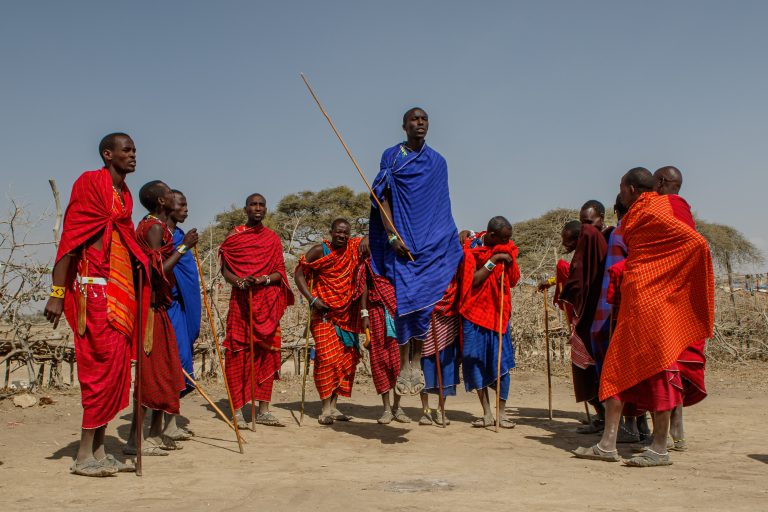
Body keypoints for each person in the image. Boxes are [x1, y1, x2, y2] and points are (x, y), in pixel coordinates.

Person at [574, 167, 714, 467]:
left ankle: (660, 449)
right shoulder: (639, 213)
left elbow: (694, 243)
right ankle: (607, 444)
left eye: (622, 187)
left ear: (633, 189)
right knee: (616, 368)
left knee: (661, 370)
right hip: (636, 300)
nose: (620, 192)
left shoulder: (660, 207)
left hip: (657, 301)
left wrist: (662, 276)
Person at [43, 133, 148, 476]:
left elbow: (128, 242)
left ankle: (100, 451)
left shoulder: (125, 197)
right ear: (108, 154)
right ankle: (83, 455)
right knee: (99, 373)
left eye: (134, 150)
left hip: (120, 297)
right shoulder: (90, 184)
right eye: (126, 150)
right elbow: (71, 242)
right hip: (94, 294)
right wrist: (57, 294)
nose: (133, 155)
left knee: (116, 372)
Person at [369, 107, 463, 397]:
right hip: (402, 244)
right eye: (414, 119)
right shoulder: (392, 156)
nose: (420, 123)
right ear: (404, 125)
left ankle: (417, 363)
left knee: (427, 304)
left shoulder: (438, 162)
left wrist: (447, 240)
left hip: (431, 245)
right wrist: (392, 235)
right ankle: (403, 365)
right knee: (402, 300)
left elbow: (440, 205)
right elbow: (381, 197)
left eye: (424, 119)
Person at [124, 180, 196, 457]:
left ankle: (154, 435)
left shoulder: (159, 228)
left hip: (161, 309)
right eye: (168, 193)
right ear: (161, 202)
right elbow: (155, 273)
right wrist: (183, 248)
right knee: (151, 376)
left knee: (164, 374)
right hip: (151, 311)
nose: (173, 196)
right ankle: (135, 440)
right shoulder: (153, 228)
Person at [219, 193, 294, 427]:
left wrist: (262, 279)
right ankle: (239, 411)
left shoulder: (272, 239)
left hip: (267, 305)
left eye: (262, 204)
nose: (258, 208)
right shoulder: (234, 237)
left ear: (266, 209)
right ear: (246, 209)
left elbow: (279, 273)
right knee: (238, 355)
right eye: (253, 204)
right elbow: (225, 269)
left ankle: (263, 410)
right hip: (242, 303)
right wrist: (240, 282)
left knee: (268, 354)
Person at [653, 165, 707, 451]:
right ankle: (674, 427)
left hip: (665, 295)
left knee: (664, 361)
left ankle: (666, 434)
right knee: (667, 361)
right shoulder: (678, 209)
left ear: (661, 182)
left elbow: (688, 247)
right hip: (675, 294)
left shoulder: (667, 207)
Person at [295, 219, 364, 425]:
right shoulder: (320, 250)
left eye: (346, 233)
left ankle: (334, 407)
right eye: (339, 232)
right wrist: (312, 299)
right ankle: (324, 409)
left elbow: (370, 242)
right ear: (331, 232)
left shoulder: (353, 249)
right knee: (327, 360)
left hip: (347, 314)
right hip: (324, 313)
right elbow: (299, 272)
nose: (342, 236)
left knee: (344, 362)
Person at [459, 216, 520, 428]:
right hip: (474, 313)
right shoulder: (472, 249)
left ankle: (501, 413)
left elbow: (513, 280)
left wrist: (505, 257)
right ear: (492, 235)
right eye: (503, 238)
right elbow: (473, 280)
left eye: (508, 238)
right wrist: (494, 261)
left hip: (499, 314)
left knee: (500, 364)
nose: (507, 242)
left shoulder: (508, 249)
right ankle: (486, 413)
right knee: (475, 361)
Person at [559, 201, 609, 430]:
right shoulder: (589, 242)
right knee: (586, 369)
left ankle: (607, 417)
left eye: (590, 222)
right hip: (587, 317)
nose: (587, 227)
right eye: (583, 223)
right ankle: (602, 416)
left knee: (589, 367)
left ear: (602, 218)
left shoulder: (604, 239)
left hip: (598, 319)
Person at [164, 190, 201, 440]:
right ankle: (158, 426)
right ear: (167, 205)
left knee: (182, 362)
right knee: (173, 364)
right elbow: (158, 268)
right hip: (166, 307)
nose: (186, 209)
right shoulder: (159, 234)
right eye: (182, 205)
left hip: (182, 307)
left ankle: (169, 423)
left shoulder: (177, 235)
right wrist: (184, 245)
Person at [356, 260, 409, 424]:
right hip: (376, 311)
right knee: (379, 361)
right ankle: (386, 408)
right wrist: (364, 314)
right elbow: (364, 285)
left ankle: (397, 406)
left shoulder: (399, 258)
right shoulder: (369, 262)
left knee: (398, 362)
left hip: (398, 311)